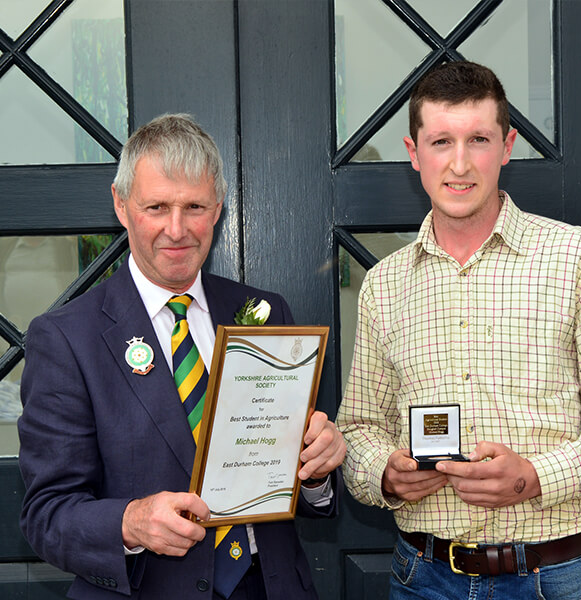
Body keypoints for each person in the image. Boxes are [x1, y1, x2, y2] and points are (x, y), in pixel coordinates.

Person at [18, 113, 346, 600]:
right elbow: (46, 515)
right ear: (122, 205)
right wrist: (130, 522)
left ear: (217, 208)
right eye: (156, 207)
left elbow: (294, 480)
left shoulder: (264, 311)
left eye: (194, 206)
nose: (177, 229)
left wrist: (317, 471)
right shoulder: (66, 338)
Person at [336, 61, 581, 600]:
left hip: (554, 579)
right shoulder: (384, 285)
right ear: (414, 153)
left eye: (478, 139)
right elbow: (359, 427)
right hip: (424, 578)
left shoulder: (578, 260)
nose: (459, 164)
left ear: (507, 146)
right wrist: (385, 474)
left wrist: (533, 475)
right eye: (440, 141)